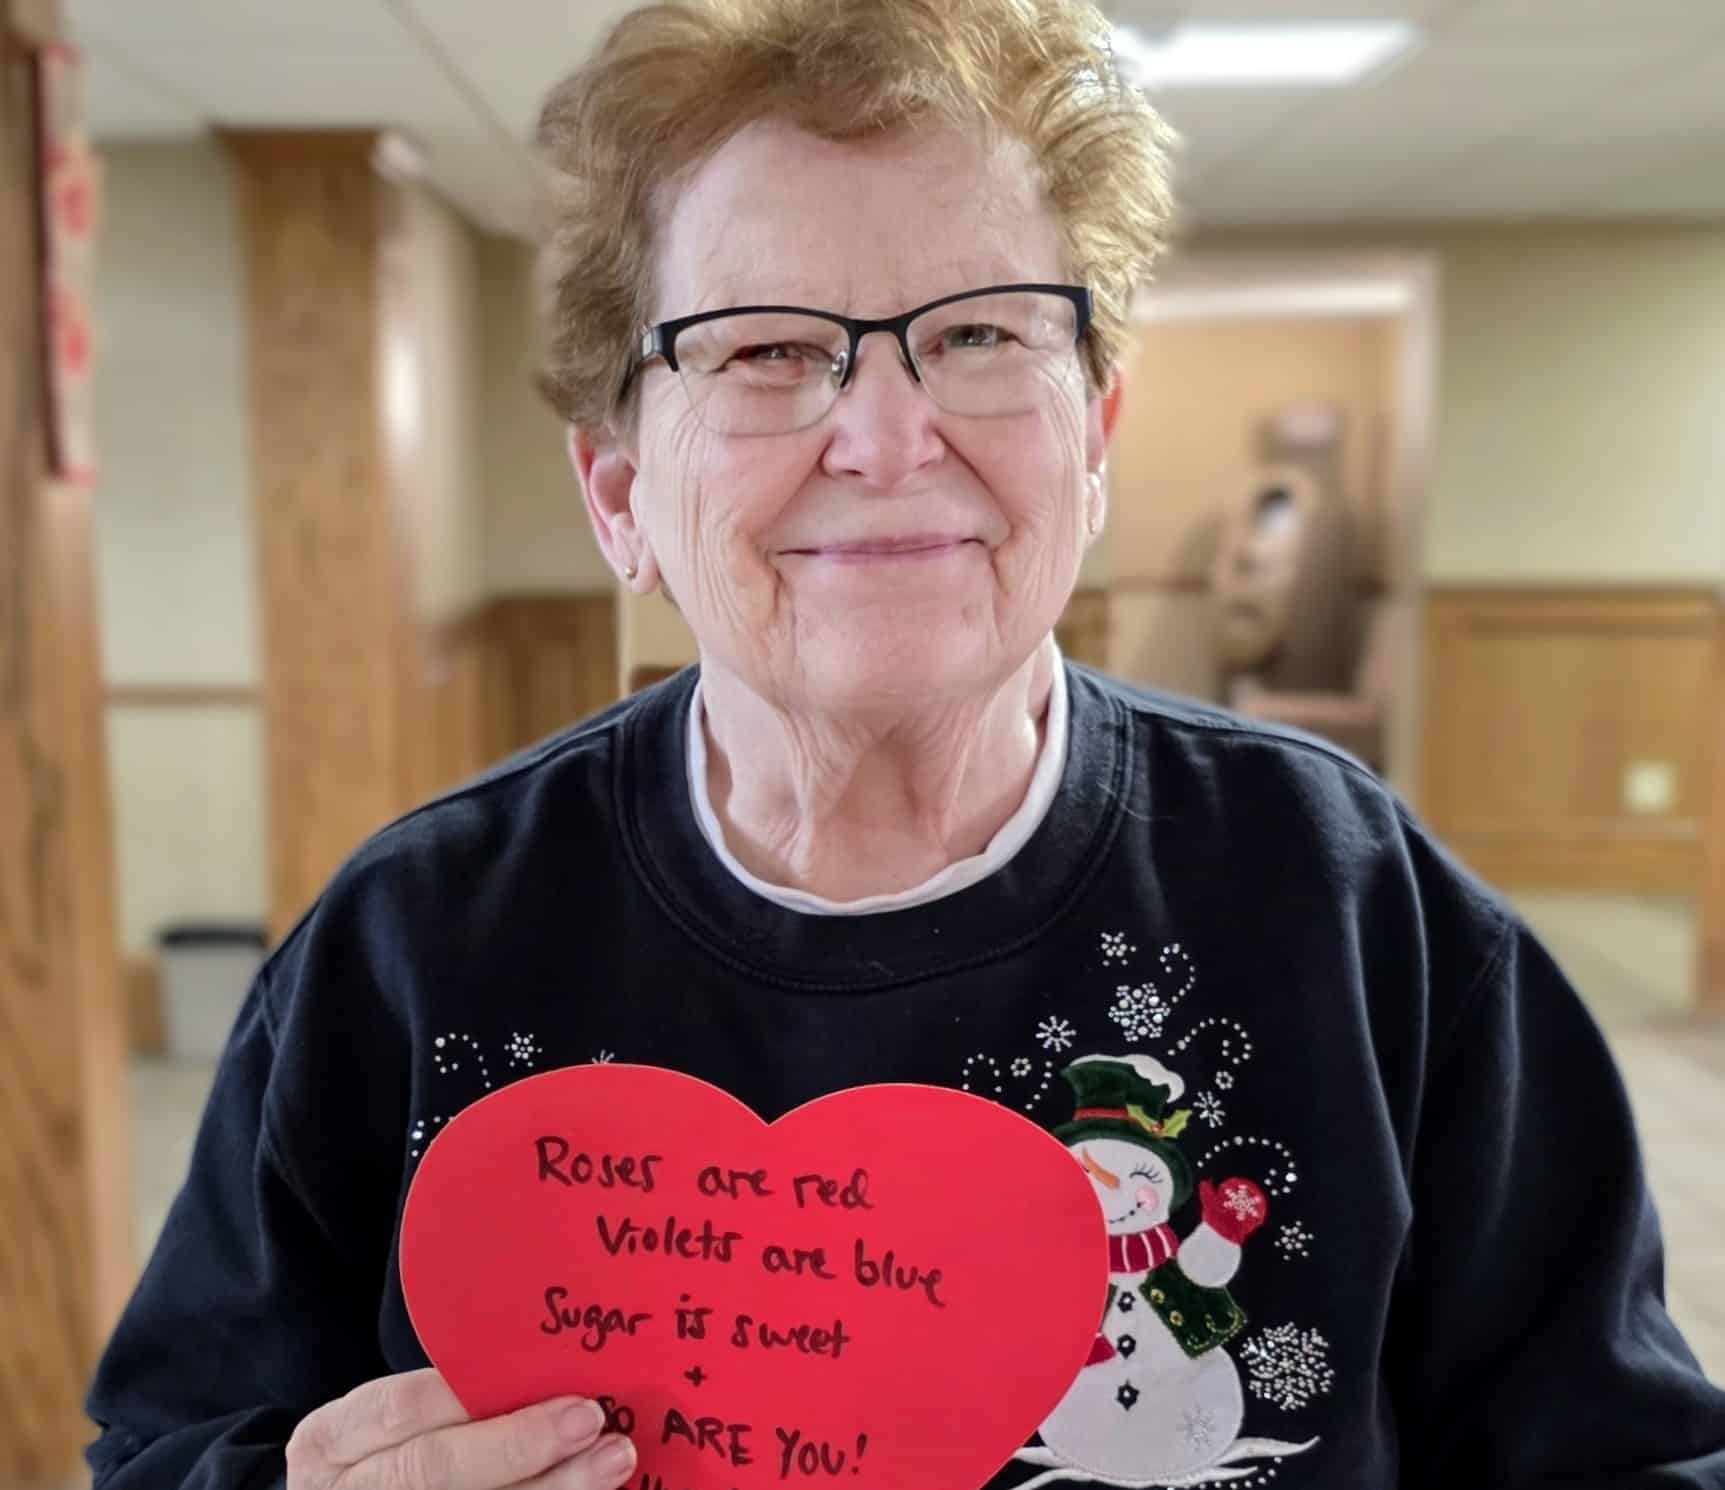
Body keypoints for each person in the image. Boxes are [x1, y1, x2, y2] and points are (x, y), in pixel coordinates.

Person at [86, 0, 1725, 1486]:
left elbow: (1624, 1452)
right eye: (764, 347)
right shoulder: (415, 942)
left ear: (1093, 434)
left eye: (981, 332)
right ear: (617, 491)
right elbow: (164, 1446)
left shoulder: (1352, 906)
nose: (885, 435)